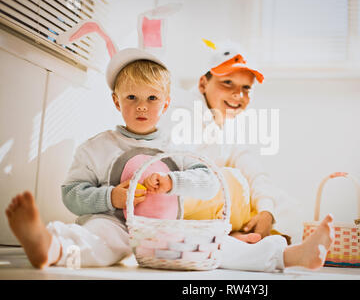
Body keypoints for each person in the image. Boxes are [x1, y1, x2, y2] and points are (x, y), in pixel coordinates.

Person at [5, 47, 335, 273]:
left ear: (166, 105)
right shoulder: (98, 147)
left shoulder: (178, 144)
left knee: (215, 247)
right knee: (97, 240)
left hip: (169, 228)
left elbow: (208, 181)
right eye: (131, 98)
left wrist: (174, 182)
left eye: (152, 98)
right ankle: (51, 246)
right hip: (117, 223)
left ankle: (291, 255)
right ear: (115, 101)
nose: (142, 107)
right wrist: (110, 197)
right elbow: (72, 193)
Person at [161, 41, 297, 244]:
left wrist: (266, 211)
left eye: (246, 88)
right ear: (203, 84)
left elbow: (254, 170)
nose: (238, 95)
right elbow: (182, 171)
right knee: (232, 180)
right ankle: (244, 237)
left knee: (277, 200)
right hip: (171, 199)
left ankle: (248, 234)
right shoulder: (182, 110)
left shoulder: (227, 122)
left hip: (205, 203)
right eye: (227, 83)